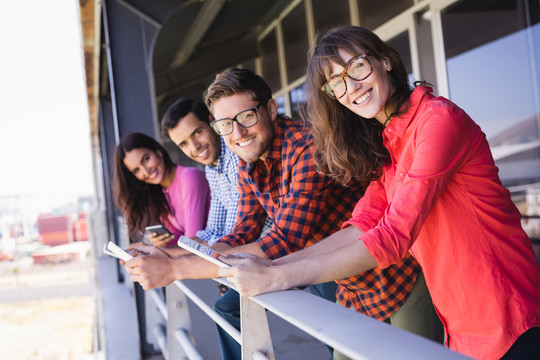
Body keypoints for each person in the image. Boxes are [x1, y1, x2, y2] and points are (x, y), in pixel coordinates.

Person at [218, 26, 540, 360]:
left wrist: (279, 277)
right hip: (462, 330)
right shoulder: (391, 142)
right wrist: (274, 268)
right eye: (337, 82)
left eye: (356, 67)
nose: (351, 87)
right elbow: (361, 226)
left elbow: (394, 235)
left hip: (511, 320)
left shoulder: (437, 120)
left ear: (385, 60)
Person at [126, 68, 441, 360]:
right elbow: (244, 231)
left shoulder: (307, 147)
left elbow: (285, 240)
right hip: (352, 288)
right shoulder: (247, 162)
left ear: (271, 109)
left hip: (399, 273)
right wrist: (170, 258)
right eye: (225, 125)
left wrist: (175, 270)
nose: (237, 132)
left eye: (246, 116)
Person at [113, 132, 211, 247]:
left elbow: (193, 245)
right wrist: (159, 245)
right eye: (136, 170)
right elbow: (178, 243)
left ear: (157, 151)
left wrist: (152, 252)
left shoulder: (189, 178)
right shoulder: (161, 194)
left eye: (146, 159)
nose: (145, 171)